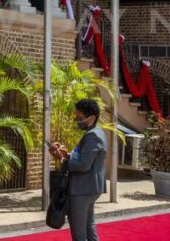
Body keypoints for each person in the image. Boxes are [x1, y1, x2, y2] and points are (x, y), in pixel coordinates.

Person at [50, 98, 106, 241]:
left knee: (79, 235)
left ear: (92, 118)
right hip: (89, 188)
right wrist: (66, 154)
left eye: (79, 117)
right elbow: (85, 157)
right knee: (89, 228)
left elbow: (84, 165)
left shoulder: (92, 135)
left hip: (82, 189)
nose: (76, 120)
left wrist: (62, 160)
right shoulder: (96, 132)